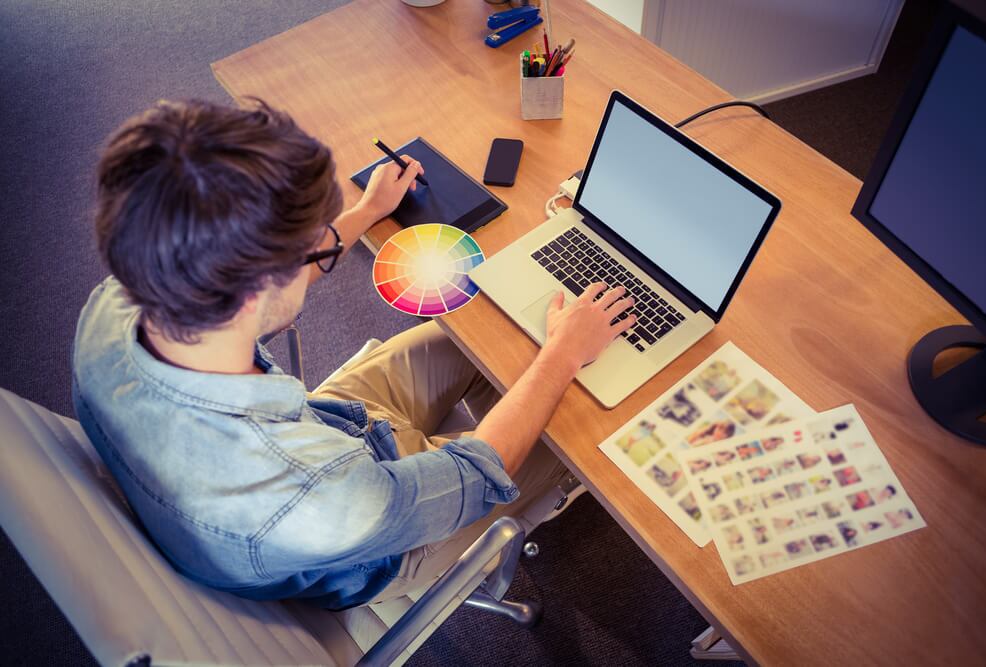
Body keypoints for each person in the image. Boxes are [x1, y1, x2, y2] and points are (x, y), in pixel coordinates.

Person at [72, 99, 637, 610]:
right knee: (583, 429)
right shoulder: (317, 493)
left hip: (327, 431)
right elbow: (472, 476)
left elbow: (257, 275)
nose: (324, 245)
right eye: (312, 246)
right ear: (254, 292)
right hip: (377, 537)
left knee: (480, 331)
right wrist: (561, 357)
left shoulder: (118, 302)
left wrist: (367, 211)